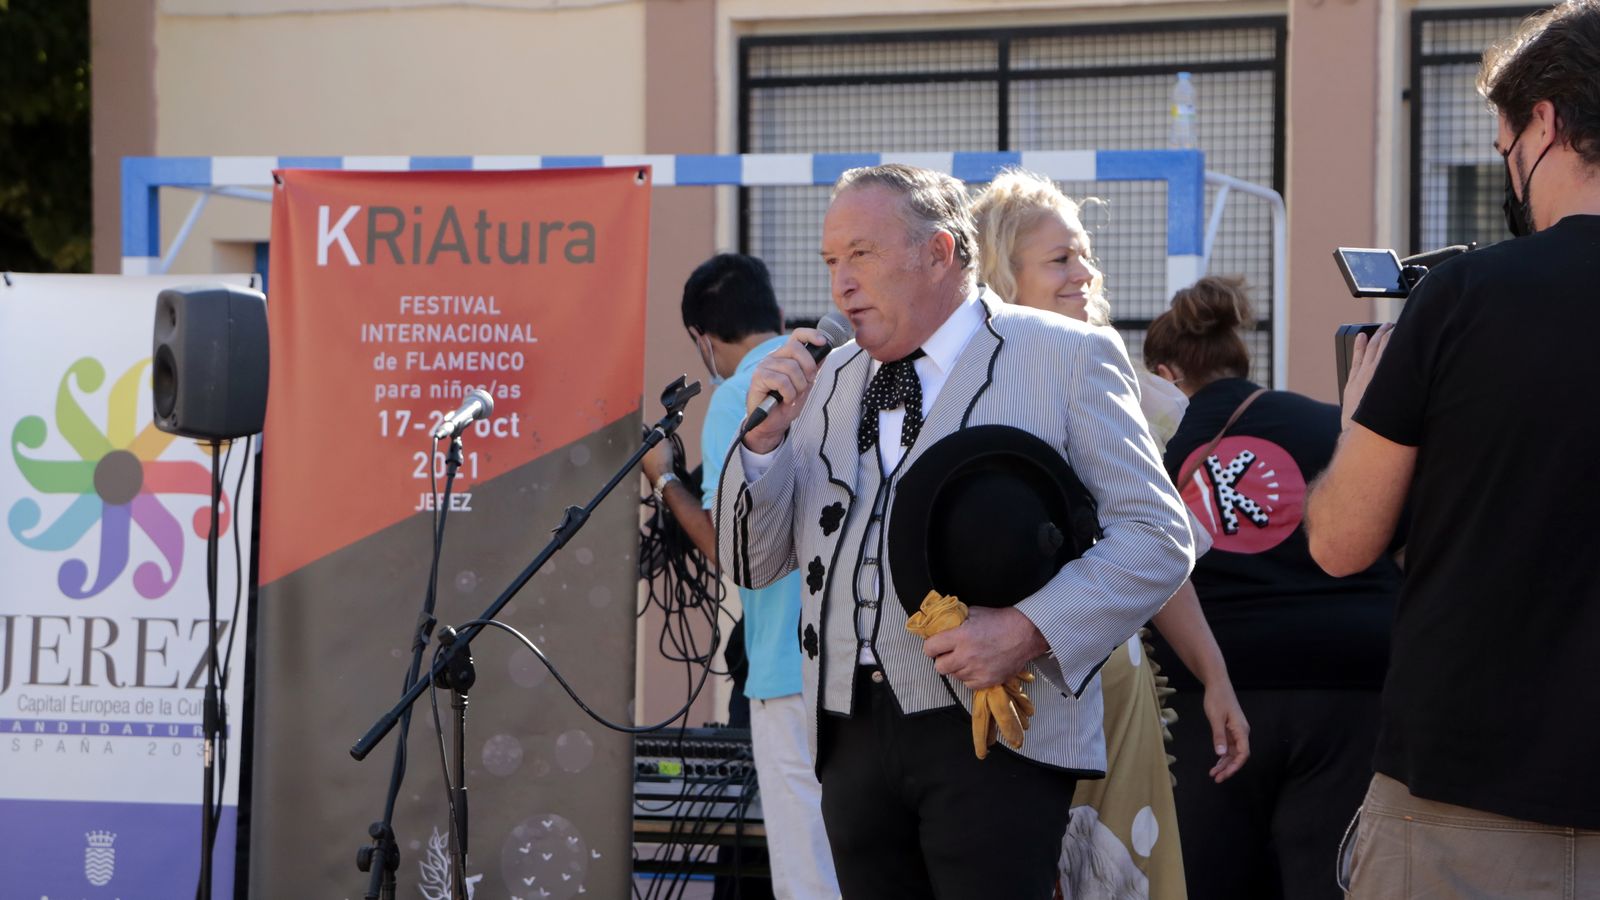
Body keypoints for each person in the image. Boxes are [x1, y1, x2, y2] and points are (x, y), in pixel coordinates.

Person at [716, 163, 1195, 898]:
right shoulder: (824, 381)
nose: (840, 284)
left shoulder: (1065, 356)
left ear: (940, 253)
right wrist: (763, 446)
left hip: (998, 732)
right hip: (848, 731)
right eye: (831, 262)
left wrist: (1030, 627)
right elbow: (753, 562)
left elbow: (1157, 535)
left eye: (862, 256)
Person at [1305, 2, 1600, 894]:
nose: (1511, 175)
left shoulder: (1466, 295)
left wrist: (1359, 413)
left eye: (1507, 147)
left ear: (1546, 122)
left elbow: (1340, 541)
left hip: (1465, 804)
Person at [972, 170, 1248, 900]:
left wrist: (1215, 676)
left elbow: (1159, 551)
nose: (1085, 273)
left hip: (1113, 693)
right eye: (1060, 258)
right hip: (1003, 702)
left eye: (1083, 253)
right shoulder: (956, 395)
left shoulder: (1110, 382)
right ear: (1004, 273)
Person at [1140, 276, 1399, 900]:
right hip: (1347, 683)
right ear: (1240, 356)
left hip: (1215, 691)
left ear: (1163, 372)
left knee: (1214, 874)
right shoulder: (1327, 426)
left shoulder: (1152, 447)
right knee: (1330, 879)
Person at [641, 253, 839, 900]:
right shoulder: (838, 372)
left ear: (703, 339)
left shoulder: (739, 395)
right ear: (778, 314)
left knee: (807, 874)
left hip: (784, 671)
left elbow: (735, 554)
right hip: (857, 666)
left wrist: (666, 478)